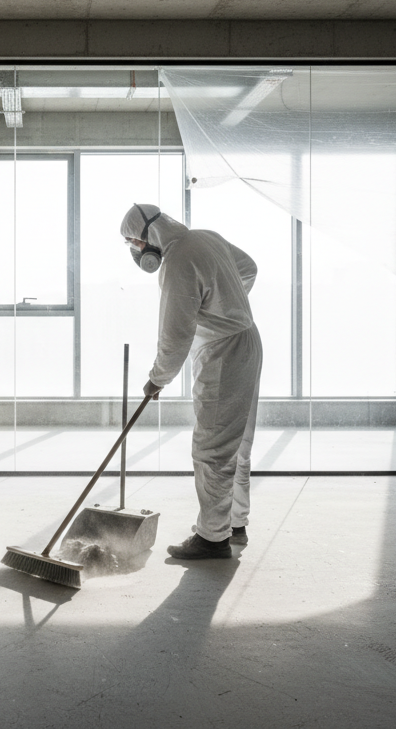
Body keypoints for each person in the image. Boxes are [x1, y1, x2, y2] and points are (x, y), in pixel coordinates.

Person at [121, 203, 263, 560]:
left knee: (212, 448)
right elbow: (249, 268)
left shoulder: (178, 262)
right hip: (247, 340)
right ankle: (234, 523)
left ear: (147, 238)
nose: (137, 253)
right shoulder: (206, 238)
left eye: (134, 244)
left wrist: (156, 379)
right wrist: (225, 302)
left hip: (222, 355)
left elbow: (175, 336)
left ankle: (213, 539)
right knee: (237, 442)